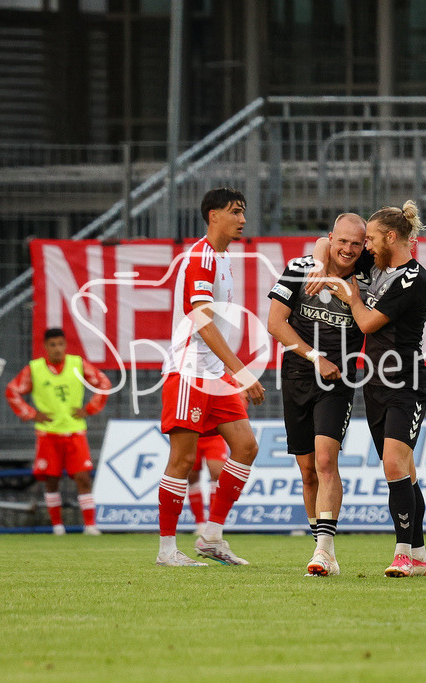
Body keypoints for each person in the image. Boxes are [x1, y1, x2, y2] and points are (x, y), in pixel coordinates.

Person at [156, 186, 265, 567]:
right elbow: (201, 321)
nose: (243, 220)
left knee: (246, 447)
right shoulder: (201, 257)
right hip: (189, 371)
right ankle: (167, 551)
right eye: (236, 211)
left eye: (243, 211)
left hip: (214, 374)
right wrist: (243, 371)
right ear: (213, 215)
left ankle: (212, 536)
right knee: (183, 460)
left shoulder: (222, 258)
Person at [323, 201, 426, 578]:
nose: (363, 246)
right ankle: (419, 556)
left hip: (406, 382)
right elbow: (328, 246)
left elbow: (368, 323)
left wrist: (351, 297)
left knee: (393, 465)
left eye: (369, 239)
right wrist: (326, 263)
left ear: (391, 237)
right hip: (375, 383)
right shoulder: (376, 267)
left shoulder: (412, 278)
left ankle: (403, 554)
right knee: (406, 473)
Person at [266, 213, 369, 577]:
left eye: (356, 244)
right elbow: (274, 323)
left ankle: (324, 550)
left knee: (326, 461)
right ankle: (320, 547)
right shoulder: (301, 268)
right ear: (331, 238)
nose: (348, 249)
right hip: (297, 374)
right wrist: (314, 356)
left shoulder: (367, 275)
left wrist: (329, 361)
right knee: (307, 470)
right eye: (341, 241)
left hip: (338, 378)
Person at [5, 327, 111, 535]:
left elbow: (104, 382)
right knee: (51, 479)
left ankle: (90, 525)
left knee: (83, 477)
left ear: (65, 345)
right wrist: (31, 413)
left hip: (74, 431)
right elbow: (12, 390)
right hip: (47, 433)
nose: (57, 349)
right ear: (45, 347)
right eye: (52, 345)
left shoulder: (77, 364)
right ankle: (57, 526)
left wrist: (89, 409)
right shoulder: (34, 369)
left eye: (60, 344)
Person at [187, 434, 228, 536]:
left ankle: (213, 524)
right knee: (192, 478)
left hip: (214, 435)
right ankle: (200, 524)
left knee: (218, 475)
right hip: (190, 436)